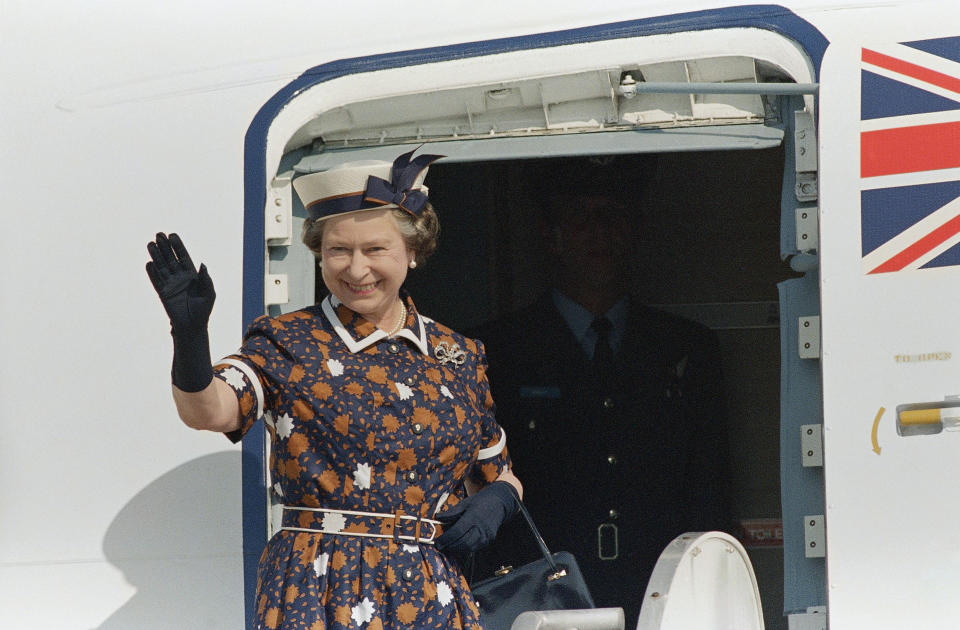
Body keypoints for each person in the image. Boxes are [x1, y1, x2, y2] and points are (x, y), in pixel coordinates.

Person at [146, 149, 522, 630]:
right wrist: (190, 337)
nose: (356, 268)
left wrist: (500, 500)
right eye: (338, 251)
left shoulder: (456, 354)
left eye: (375, 250)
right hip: (319, 587)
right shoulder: (287, 341)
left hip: (431, 592)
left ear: (412, 251)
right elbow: (210, 411)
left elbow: (499, 473)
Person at [472, 156, 730, 625]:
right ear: (551, 236)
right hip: (542, 587)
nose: (599, 233)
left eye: (613, 217)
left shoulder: (684, 346)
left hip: (662, 581)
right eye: (580, 219)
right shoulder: (495, 350)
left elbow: (709, 486)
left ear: (634, 232)